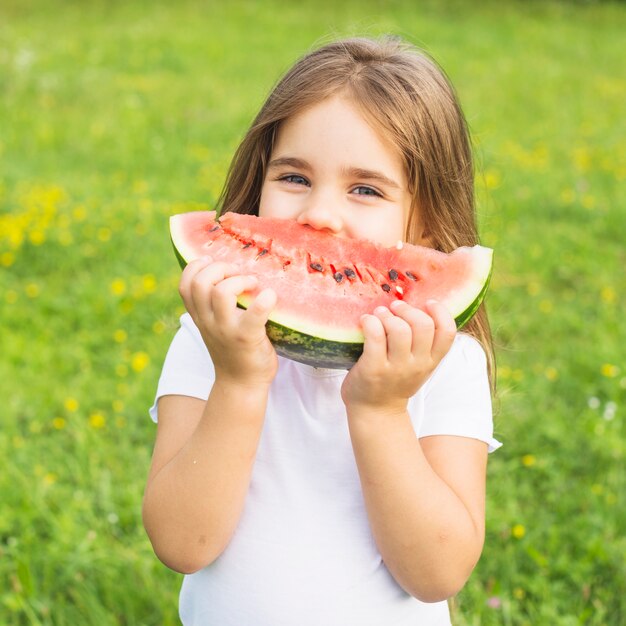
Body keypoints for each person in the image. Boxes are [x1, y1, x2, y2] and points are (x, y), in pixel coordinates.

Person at [142, 36, 501, 626]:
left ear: (430, 224)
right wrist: (239, 379)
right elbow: (182, 545)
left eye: (365, 188)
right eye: (293, 177)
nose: (318, 214)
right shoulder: (208, 339)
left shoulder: (446, 364)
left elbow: (437, 574)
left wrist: (382, 409)